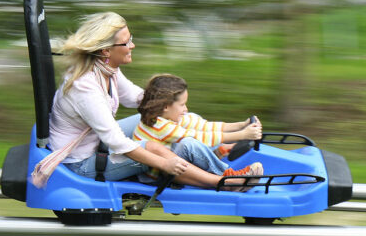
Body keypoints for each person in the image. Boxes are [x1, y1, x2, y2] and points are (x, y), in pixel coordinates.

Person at [31, 12, 260, 192]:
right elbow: (119, 144)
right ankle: (222, 181)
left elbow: (141, 100)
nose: (132, 45)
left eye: (131, 39)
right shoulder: (85, 87)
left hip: (95, 141)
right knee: (153, 149)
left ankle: (217, 140)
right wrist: (164, 163)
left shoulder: (107, 70)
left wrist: (175, 105)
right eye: (126, 42)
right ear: (106, 51)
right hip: (79, 164)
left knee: (164, 115)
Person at [133, 74, 264, 184]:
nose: (185, 108)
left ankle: (216, 152)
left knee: (192, 118)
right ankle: (227, 176)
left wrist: (240, 125)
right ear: (166, 106)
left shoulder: (164, 117)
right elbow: (198, 137)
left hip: (169, 164)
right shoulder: (160, 125)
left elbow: (203, 126)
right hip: (156, 176)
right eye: (182, 104)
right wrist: (241, 135)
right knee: (188, 144)